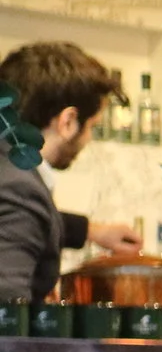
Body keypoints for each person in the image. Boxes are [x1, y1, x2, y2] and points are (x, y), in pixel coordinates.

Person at [0, 41, 143, 302]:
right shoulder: (20, 188)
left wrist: (92, 231)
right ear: (67, 122)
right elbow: (6, 316)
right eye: (91, 126)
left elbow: (21, 220)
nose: (89, 139)